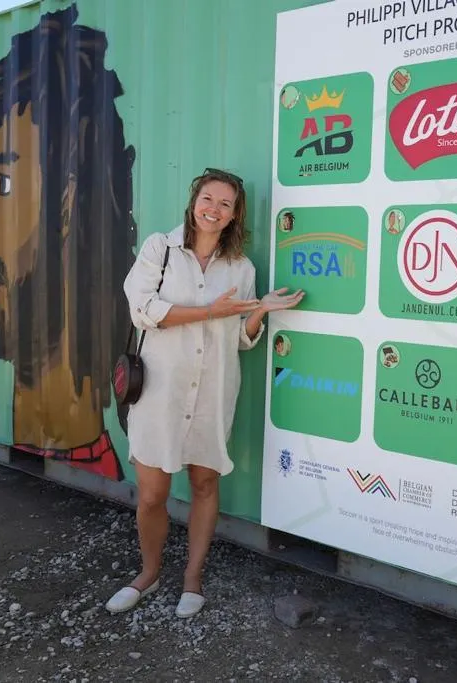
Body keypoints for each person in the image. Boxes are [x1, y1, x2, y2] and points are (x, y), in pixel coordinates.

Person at [107, 168, 304, 618]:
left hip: (213, 391)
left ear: (235, 215)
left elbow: (239, 340)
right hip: (160, 394)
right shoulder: (160, 249)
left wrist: (260, 311)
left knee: (205, 483)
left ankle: (192, 578)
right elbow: (143, 311)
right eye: (208, 199)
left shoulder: (242, 268)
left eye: (225, 204)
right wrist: (210, 311)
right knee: (152, 494)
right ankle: (149, 573)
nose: (214, 209)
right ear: (193, 201)